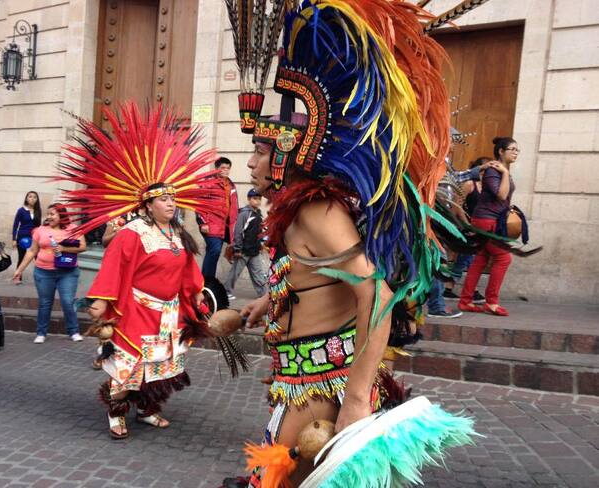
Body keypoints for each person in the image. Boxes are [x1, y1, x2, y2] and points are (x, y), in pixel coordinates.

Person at [221, 1, 477, 486]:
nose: (250, 163)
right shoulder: (298, 212)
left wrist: (355, 401)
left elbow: (375, 293)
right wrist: (267, 302)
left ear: (287, 152)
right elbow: (321, 277)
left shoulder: (315, 210)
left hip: (323, 387)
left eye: (259, 150)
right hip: (302, 379)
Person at [54, 102, 224, 440]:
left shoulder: (177, 234)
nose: (171, 203)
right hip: (137, 311)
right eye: (164, 200)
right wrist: (101, 301)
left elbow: (188, 270)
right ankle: (116, 413)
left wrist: (197, 296)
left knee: (161, 367)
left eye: (173, 199)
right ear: (147, 205)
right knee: (129, 365)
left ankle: (148, 409)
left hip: (169, 314)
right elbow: (113, 268)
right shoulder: (132, 233)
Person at [458, 137, 519, 316]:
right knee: (504, 258)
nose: (516, 153)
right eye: (512, 149)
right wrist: (505, 174)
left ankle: (465, 301)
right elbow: (501, 195)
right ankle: (491, 302)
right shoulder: (494, 171)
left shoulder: (501, 170)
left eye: (517, 150)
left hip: (491, 219)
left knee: (481, 258)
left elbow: (504, 199)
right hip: (486, 220)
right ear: (501, 151)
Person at [12, 203, 87, 343]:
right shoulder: (40, 230)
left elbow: (83, 247)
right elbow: (32, 251)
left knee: (67, 302)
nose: (49, 217)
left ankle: (74, 331)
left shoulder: (73, 228)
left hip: (68, 272)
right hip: (43, 272)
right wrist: (19, 270)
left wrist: (64, 248)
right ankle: (41, 333)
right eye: (48, 214)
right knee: (45, 303)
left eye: (52, 214)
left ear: (61, 215)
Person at [443, 157, 491, 303]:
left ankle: (451, 287)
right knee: (468, 257)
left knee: (467, 258)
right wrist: (466, 225)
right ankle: (464, 289)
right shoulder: (469, 184)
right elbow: (457, 204)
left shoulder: (486, 186)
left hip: (478, 226)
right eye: (485, 168)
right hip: (465, 225)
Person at [196, 157, 238, 279]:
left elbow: (234, 206)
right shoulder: (208, 183)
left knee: (215, 252)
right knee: (215, 250)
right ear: (216, 168)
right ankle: (207, 280)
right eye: (222, 168)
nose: (225, 170)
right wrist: (203, 223)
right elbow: (199, 204)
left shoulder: (231, 185)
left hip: (225, 226)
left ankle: (206, 280)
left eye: (227, 168)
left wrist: (235, 226)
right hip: (211, 224)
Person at [223, 189, 267, 300]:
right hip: (243, 251)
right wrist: (237, 249)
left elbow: (259, 231)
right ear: (249, 199)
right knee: (235, 273)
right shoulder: (244, 214)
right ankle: (226, 292)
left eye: (259, 199)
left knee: (258, 273)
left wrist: (260, 245)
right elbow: (238, 232)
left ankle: (263, 294)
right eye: (254, 198)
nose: (257, 201)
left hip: (254, 250)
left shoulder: (258, 214)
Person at [11, 191, 42, 279]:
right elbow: (15, 225)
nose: (32, 199)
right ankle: (18, 277)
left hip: (34, 237)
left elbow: (38, 225)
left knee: (37, 257)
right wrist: (14, 239)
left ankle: (41, 276)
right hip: (22, 237)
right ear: (26, 199)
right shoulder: (21, 210)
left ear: (37, 199)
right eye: (30, 197)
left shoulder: (38, 210)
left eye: (34, 197)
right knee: (21, 257)